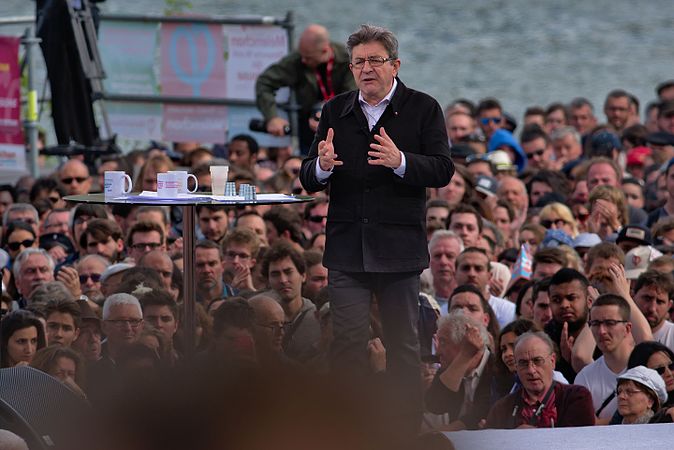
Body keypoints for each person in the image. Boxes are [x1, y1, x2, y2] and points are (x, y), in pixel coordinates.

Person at [298, 23, 454, 436]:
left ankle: (404, 431)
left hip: (398, 248)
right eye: (359, 62)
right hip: (348, 248)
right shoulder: (335, 110)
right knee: (347, 344)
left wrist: (401, 161)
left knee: (403, 347)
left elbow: (442, 168)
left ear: (395, 65)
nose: (366, 69)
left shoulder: (423, 108)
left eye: (375, 61)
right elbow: (308, 177)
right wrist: (322, 166)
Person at [255, 24, 356, 153]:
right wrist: (272, 117)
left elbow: (353, 95)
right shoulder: (298, 60)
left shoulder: (349, 60)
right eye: (302, 55)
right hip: (309, 134)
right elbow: (265, 82)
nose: (303, 60)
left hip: (345, 128)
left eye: (308, 57)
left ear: (325, 50)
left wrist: (328, 116)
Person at [485, 331, 595, 428]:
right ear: (516, 367)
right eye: (523, 363)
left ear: (552, 361)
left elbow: (579, 442)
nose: (531, 370)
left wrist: (529, 438)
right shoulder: (501, 409)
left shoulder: (576, 397)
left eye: (537, 361)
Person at [424, 310, 496, 430]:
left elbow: (485, 413)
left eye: (443, 342)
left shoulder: (497, 368)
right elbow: (434, 405)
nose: (437, 352)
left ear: (466, 343)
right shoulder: (448, 368)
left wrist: (465, 355)